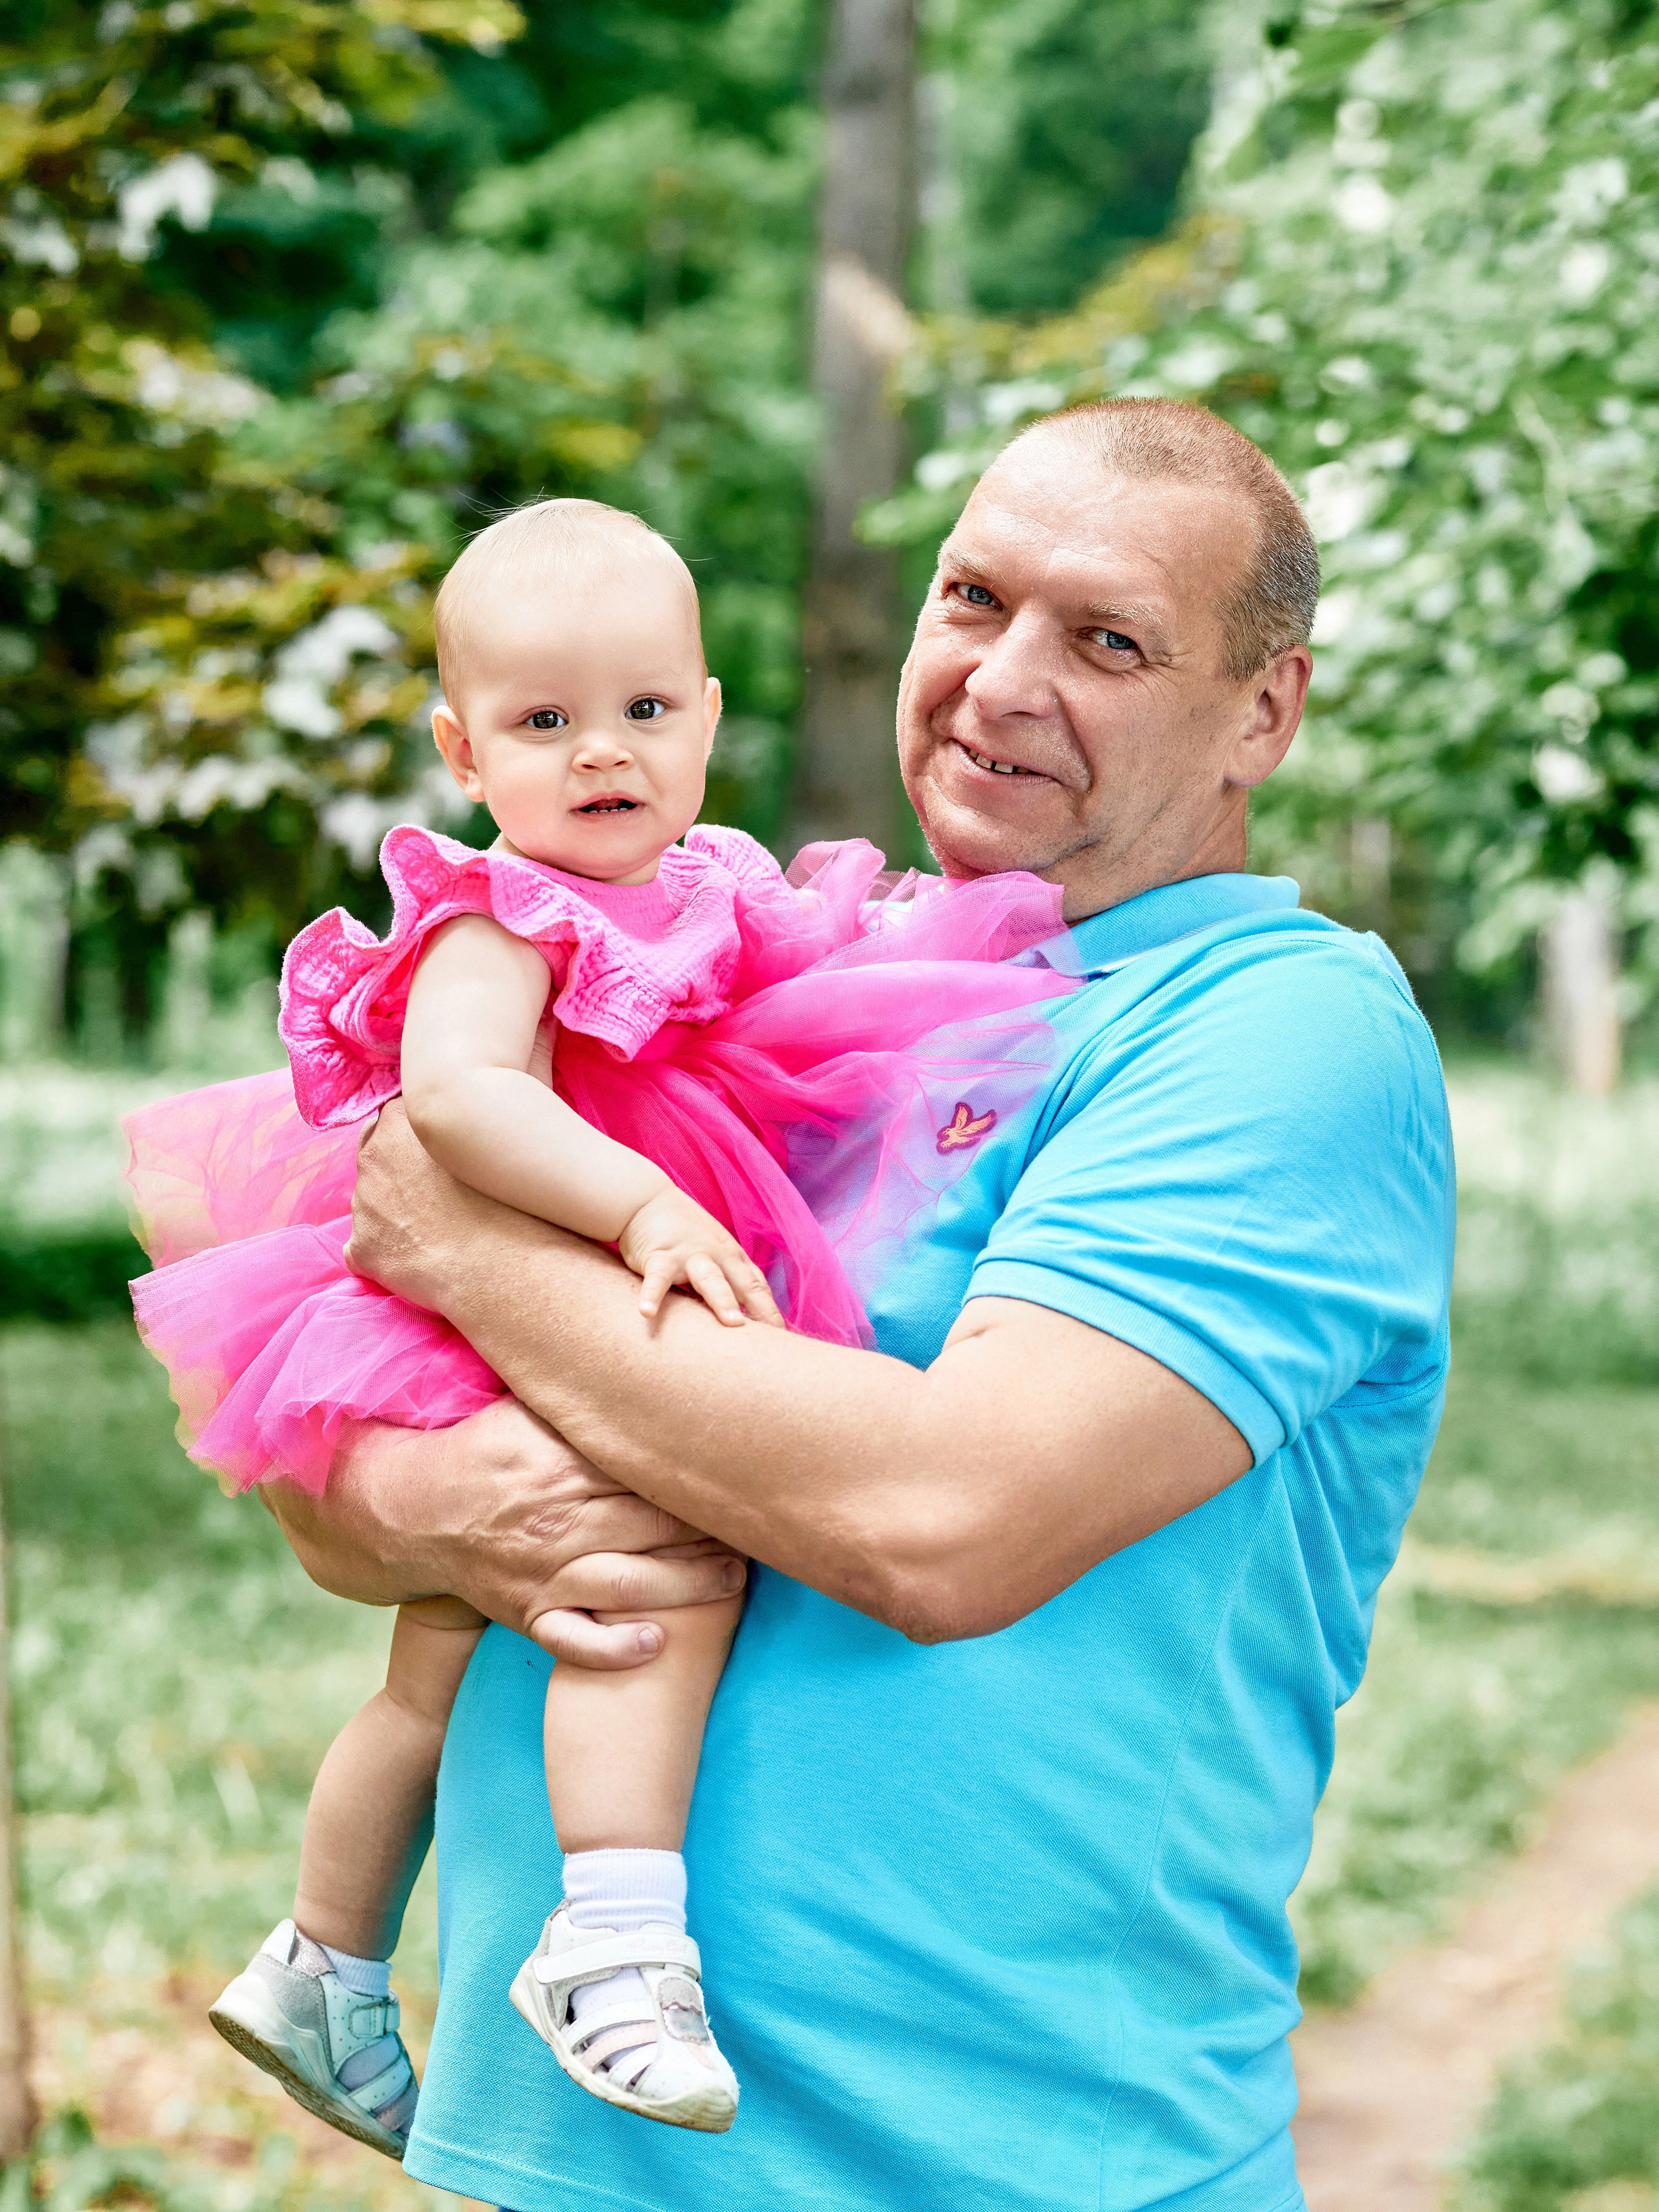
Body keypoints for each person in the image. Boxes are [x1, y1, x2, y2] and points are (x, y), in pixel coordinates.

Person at [266, 400, 1454, 2212]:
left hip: (991, 2165)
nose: (1002, 679)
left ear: (1263, 711)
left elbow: (942, 1516)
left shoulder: (1277, 1031)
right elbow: (340, 1451)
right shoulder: (798, 975)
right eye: (973, 598)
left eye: (1109, 639)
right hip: (571, 2154)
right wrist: (437, 1506)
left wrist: (463, 1244)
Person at [123, 499, 1080, 2151]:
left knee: (436, 1659)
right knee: (654, 1572)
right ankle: (615, 1936)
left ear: (709, 716)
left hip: (602, 1256)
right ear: (461, 750)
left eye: (644, 712)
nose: (602, 756)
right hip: (528, 1264)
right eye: (542, 723)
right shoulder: (501, 913)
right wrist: (637, 1206)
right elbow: (460, 1100)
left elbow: (806, 979)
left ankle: (321, 1966)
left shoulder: (701, 876)